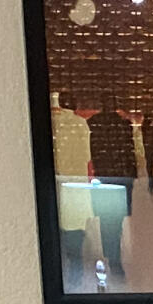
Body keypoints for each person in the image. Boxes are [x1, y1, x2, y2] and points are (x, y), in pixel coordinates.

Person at [86, 105, 136, 281]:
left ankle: (110, 252)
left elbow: (93, 154)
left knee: (107, 218)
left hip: (104, 177)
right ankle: (114, 257)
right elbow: (130, 154)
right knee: (116, 220)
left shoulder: (93, 126)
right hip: (120, 177)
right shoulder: (123, 126)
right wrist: (132, 180)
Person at [50, 94, 93, 281]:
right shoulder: (80, 124)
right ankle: (76, 269)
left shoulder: (52, 124)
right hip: (76, 180)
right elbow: (86, 154)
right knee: (75, 227)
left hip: (57, 181)